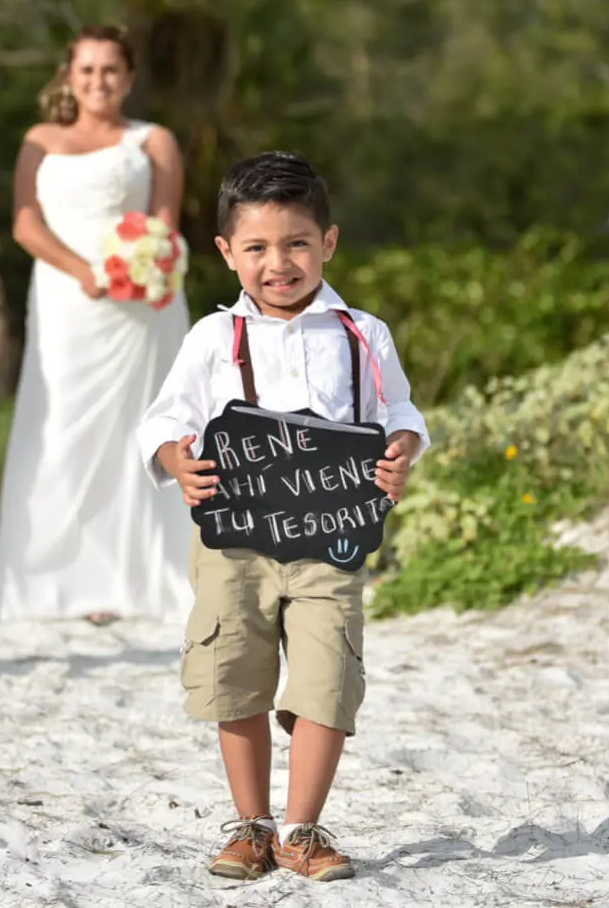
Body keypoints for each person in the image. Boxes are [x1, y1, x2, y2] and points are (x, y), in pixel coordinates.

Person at [136, 152, 429, 882]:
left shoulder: (363, 333)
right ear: (226, 252)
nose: (279, 263)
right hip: (232, 541)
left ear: (327, 242)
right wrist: (175, 459)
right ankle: (252, 823)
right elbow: (164, 419)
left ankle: (301, 828)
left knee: (328, 673)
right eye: (258, 247)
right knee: (232, 670)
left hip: (330, 541)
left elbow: (399, 411)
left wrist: (401, 447)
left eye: (297, 243)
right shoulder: (211, 338)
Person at [0, 24, 192, 624]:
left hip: (138, 309)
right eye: (87, 70)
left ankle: (129, 578)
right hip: (66, 304)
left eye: (110, 70)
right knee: (60, 430)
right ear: (69, 76)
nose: (98, 81)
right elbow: (25, 224)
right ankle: (58, 576)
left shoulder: (154, 142)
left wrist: (142, 271)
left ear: (128, 77)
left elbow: (165, 226)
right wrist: (82, 271)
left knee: (136, 435)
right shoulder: (40, 139)